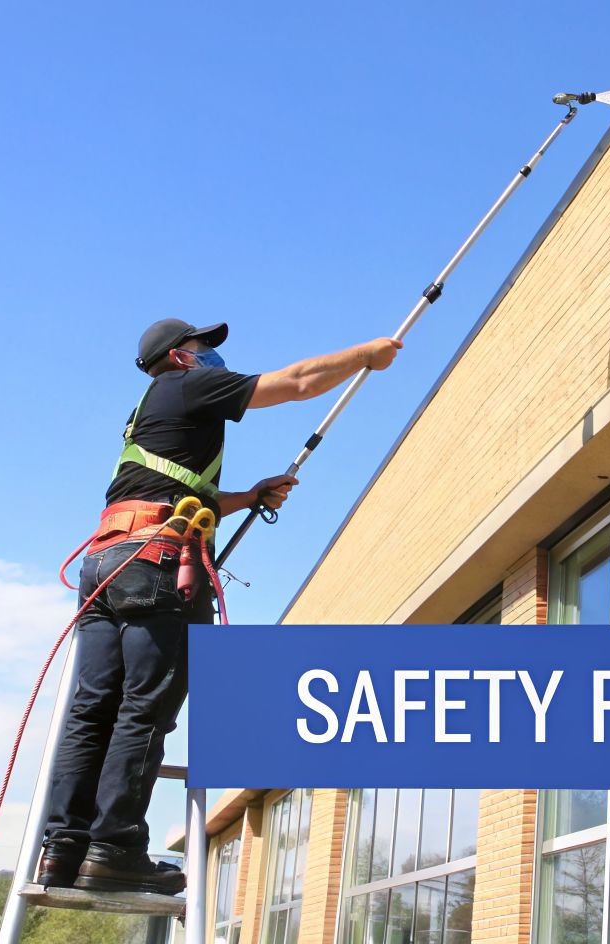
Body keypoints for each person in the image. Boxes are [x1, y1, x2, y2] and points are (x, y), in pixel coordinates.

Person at [38, 317, 401, 893]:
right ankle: (113, 849)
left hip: (107, 566)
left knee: (92, 712)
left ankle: (63, 848)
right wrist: (366, 355)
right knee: (143, 711)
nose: (213, 356)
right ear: (181, 357)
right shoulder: (190, 385)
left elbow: (176, 493)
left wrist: (249, 497)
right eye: (204, 347)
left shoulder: (150, 412)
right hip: (157, 569)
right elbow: (299, 381)